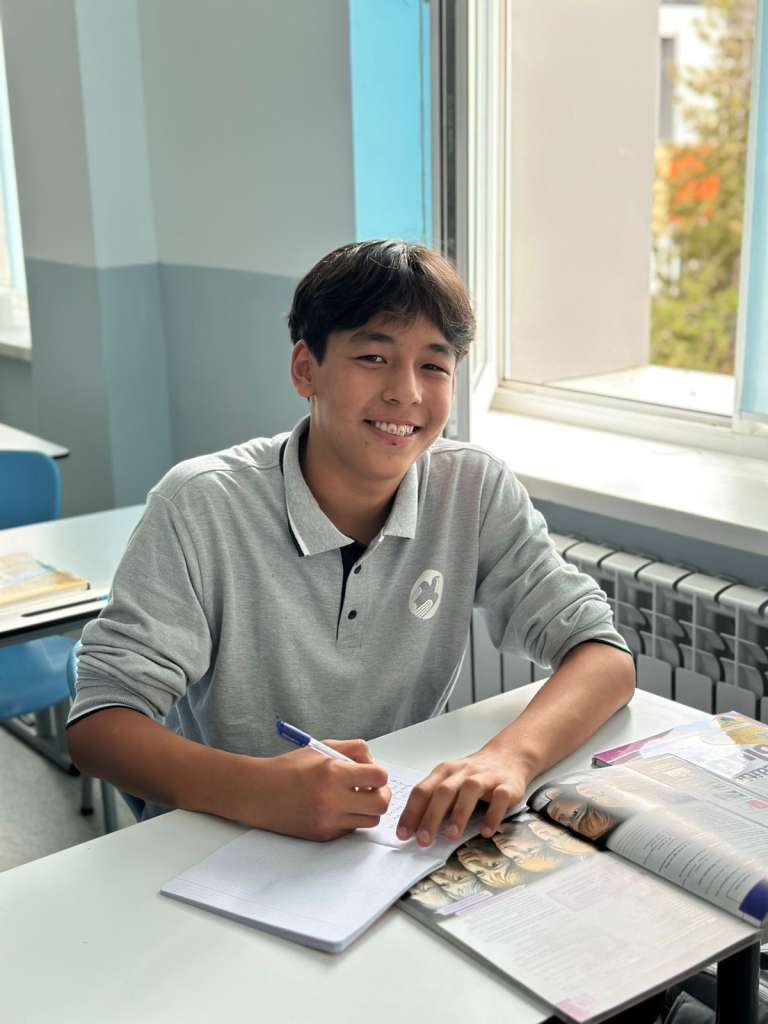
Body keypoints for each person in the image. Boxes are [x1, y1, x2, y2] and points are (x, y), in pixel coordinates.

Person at [67, 238, 635, 846]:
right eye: (373, 356)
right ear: (305, 369)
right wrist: (258, 789)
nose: (406, 392)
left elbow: (604, 657)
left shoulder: (473, 488)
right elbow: (99, 723)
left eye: (434, 366)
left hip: (388, 838)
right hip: (225, 838)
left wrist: (508, 758)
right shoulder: (201, 504)